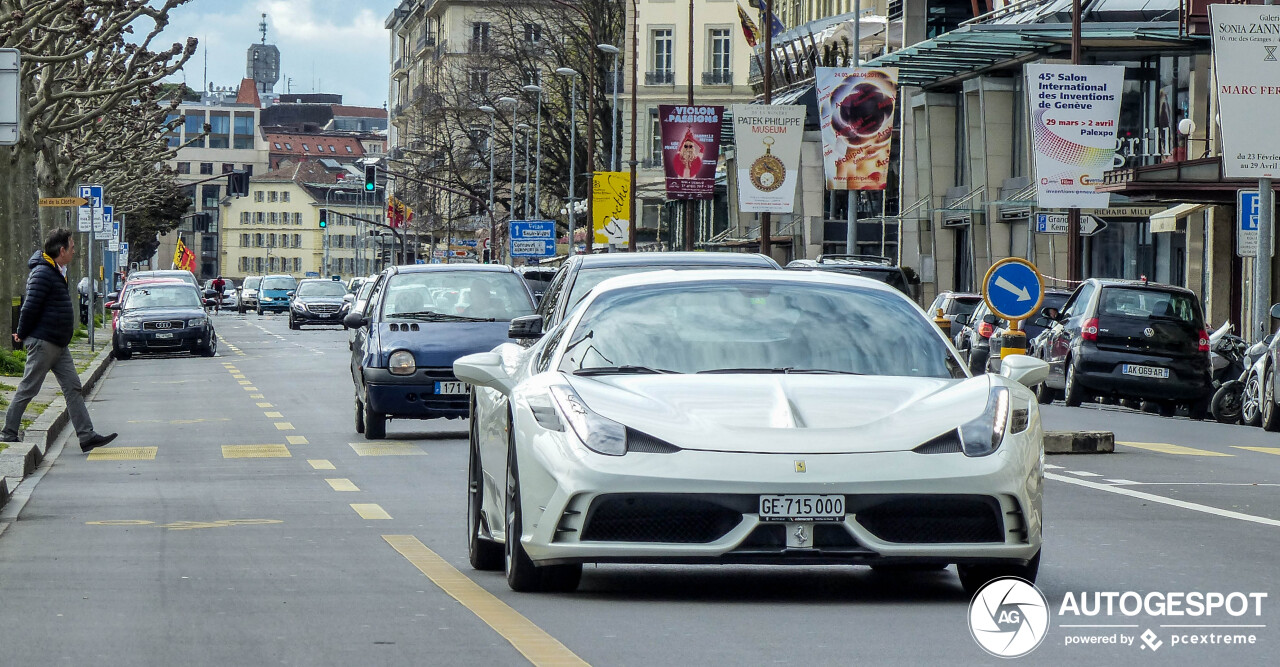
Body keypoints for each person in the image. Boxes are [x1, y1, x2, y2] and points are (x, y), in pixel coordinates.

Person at [1, 229, 118, 452]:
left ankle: (87, 436)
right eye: (72, 247)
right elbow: (30, 306)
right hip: (44, 342)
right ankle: (8, 433)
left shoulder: (56, 271)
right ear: (61, 250)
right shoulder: (42, 273)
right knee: (28, 388)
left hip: (58, 344)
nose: (75, 251)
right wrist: (21, 332)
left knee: (73, 387)